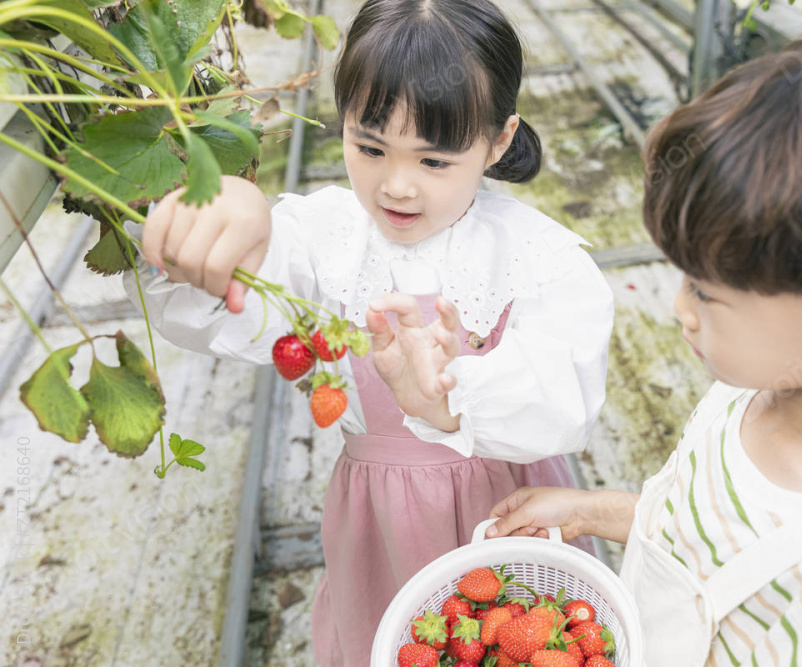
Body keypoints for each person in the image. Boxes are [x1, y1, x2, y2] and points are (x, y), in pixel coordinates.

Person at [125, 0, 614, 664]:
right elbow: (221, 295)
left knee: (512, 636)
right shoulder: (321, 237)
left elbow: (565, 403)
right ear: (344, 123)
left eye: (435, 161)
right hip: (381, 516)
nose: (397, 185)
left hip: (504, 508)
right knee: (385, 636)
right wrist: (223, 217)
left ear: (498, 141)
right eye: (370, 147)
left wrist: (449, 397)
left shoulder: (532, 255)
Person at [487, 36, 802, 665]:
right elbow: (702, 539)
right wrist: (591, 509)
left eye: (706, 291)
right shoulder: (757, 386)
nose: (679, 308)